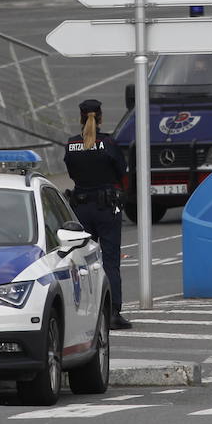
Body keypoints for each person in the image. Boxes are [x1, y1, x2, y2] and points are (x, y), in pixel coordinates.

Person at [64, 99, 133, 331]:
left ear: (81, 117)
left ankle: (86, 313)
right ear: (100, 117)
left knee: (83, 263)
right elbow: (122, 175)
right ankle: (113, 313)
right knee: (110, 261)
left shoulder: (72, 144)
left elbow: (72, 174)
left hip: (81, 209)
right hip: (106, 208)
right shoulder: (108, 143)